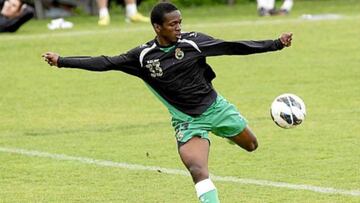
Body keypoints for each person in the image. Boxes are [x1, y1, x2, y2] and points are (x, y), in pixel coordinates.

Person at [42, 2, 292, 202]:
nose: (178, 28)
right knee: (198, 170)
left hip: (216, 108)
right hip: (186, 120)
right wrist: (63, 60)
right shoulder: (142, 57)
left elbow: (231, 47)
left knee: (251, 145)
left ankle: (222, 131)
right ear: (157, 27)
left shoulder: (193, 42)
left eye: (180, 23)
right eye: (173, 24)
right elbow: (106, 62)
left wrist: (275, 44)